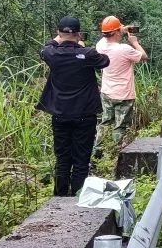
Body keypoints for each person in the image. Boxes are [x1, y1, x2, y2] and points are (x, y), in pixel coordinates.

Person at [37, 16, 109, 197]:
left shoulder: (52, 54)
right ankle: (78, 196)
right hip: (85, 115)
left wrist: (58, 40)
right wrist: (81, 46)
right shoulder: (88, 54)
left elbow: (45, 48)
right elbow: (105, 61)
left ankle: (60, 197)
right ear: (78, 33)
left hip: (60, 114)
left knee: (62, 159)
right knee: (81, 159)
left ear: (58, 33)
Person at [94, 15, 147, 152]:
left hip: (106, 92)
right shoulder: (124, 49)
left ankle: (98, 151)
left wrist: (119, 30)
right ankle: (115, 152)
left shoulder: (100, 46)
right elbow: (144, 56)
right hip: (124, 94)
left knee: (105, 122)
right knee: (120, 126)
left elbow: (107, 35)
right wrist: (134, 42)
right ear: (117, 32)